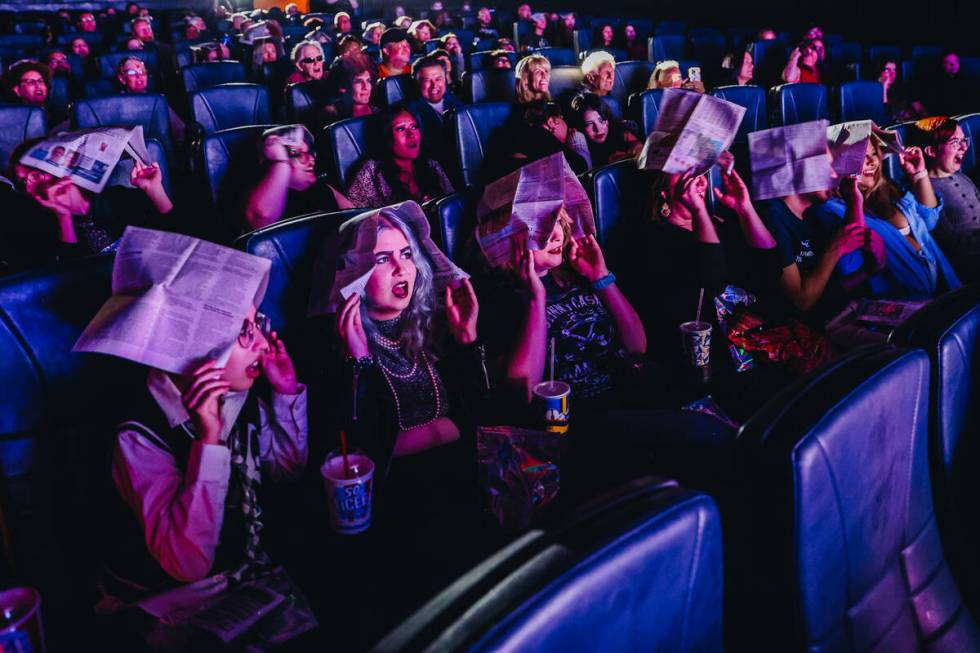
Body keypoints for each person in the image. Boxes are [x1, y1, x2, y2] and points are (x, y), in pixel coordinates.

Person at [96, 258, 311, 650]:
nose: (263, 343)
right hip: (167, 605)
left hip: (243, 579)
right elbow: (187, 563)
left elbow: (286, 471)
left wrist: (285, 393)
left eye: (257, 323)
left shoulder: (239, 394)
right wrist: (208, 441)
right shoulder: (138, 436)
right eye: (244, 332)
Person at [810, 140, 960, 300]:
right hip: (908, 306)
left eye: (874, 153)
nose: (872, 161)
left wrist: (919, 174)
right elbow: (851, 263)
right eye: (861, 156)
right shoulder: (831, 209)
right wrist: (854, 200)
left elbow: (930, 220)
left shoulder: (889, 189)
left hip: (949, 290)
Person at [10, 137, 176, 257]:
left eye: (37, 175)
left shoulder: (119, 199)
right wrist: (64, 217)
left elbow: (177, 241)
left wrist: (154, 189)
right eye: (23, 181)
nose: (29, 187)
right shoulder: (38, 224)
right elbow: (66, 283)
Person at [907, 117, 980, 281]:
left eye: (964, 140)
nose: (964, 147)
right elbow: (952, 244)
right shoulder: (926, 191)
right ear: (932, 151)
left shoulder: (963, 178)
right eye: (955, 142)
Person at [243, 125, 348, 230]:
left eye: (310, 153)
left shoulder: (322, 189)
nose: (311, 159)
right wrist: (281, 161)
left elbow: (356, 217)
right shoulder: (257, 196)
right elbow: (261, 218)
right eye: (297, 154)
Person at [346, 106, 455, 208]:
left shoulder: (432, 166)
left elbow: (452, 206)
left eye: (414, 127)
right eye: (401, 129)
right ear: (386, 136)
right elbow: (353, 217)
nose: (411, 134)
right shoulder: (371, 171)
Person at [115, 57, 185, 146]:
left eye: (142, 72)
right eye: (132, 73)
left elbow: (180, 130)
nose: (139, 76)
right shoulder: (116, 104)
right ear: (122, 79)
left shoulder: (157, 100)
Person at [407, 54, 463, 163]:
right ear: (417, 83)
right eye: (427, 80)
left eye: (438, 79)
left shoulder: (457, 103)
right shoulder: (410, 113)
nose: (434, 85)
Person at [512, 100, 591, 173]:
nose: (552, 128)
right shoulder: (539, 135)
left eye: (554, 121)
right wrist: (577, 138)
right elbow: (582, 168)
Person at [570, 93, 641, 167]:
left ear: (607, 119)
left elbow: (638, 146)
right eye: (589, 124)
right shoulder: (580, 146)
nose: (598, 129)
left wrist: (637, 148)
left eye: (601, 120)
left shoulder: (620, 130)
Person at [322, 56, 378, 122]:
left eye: (368, 80)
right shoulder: (332, 115)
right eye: (358, 81)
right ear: (342, 86)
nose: (366, 87)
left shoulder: (377, 111)